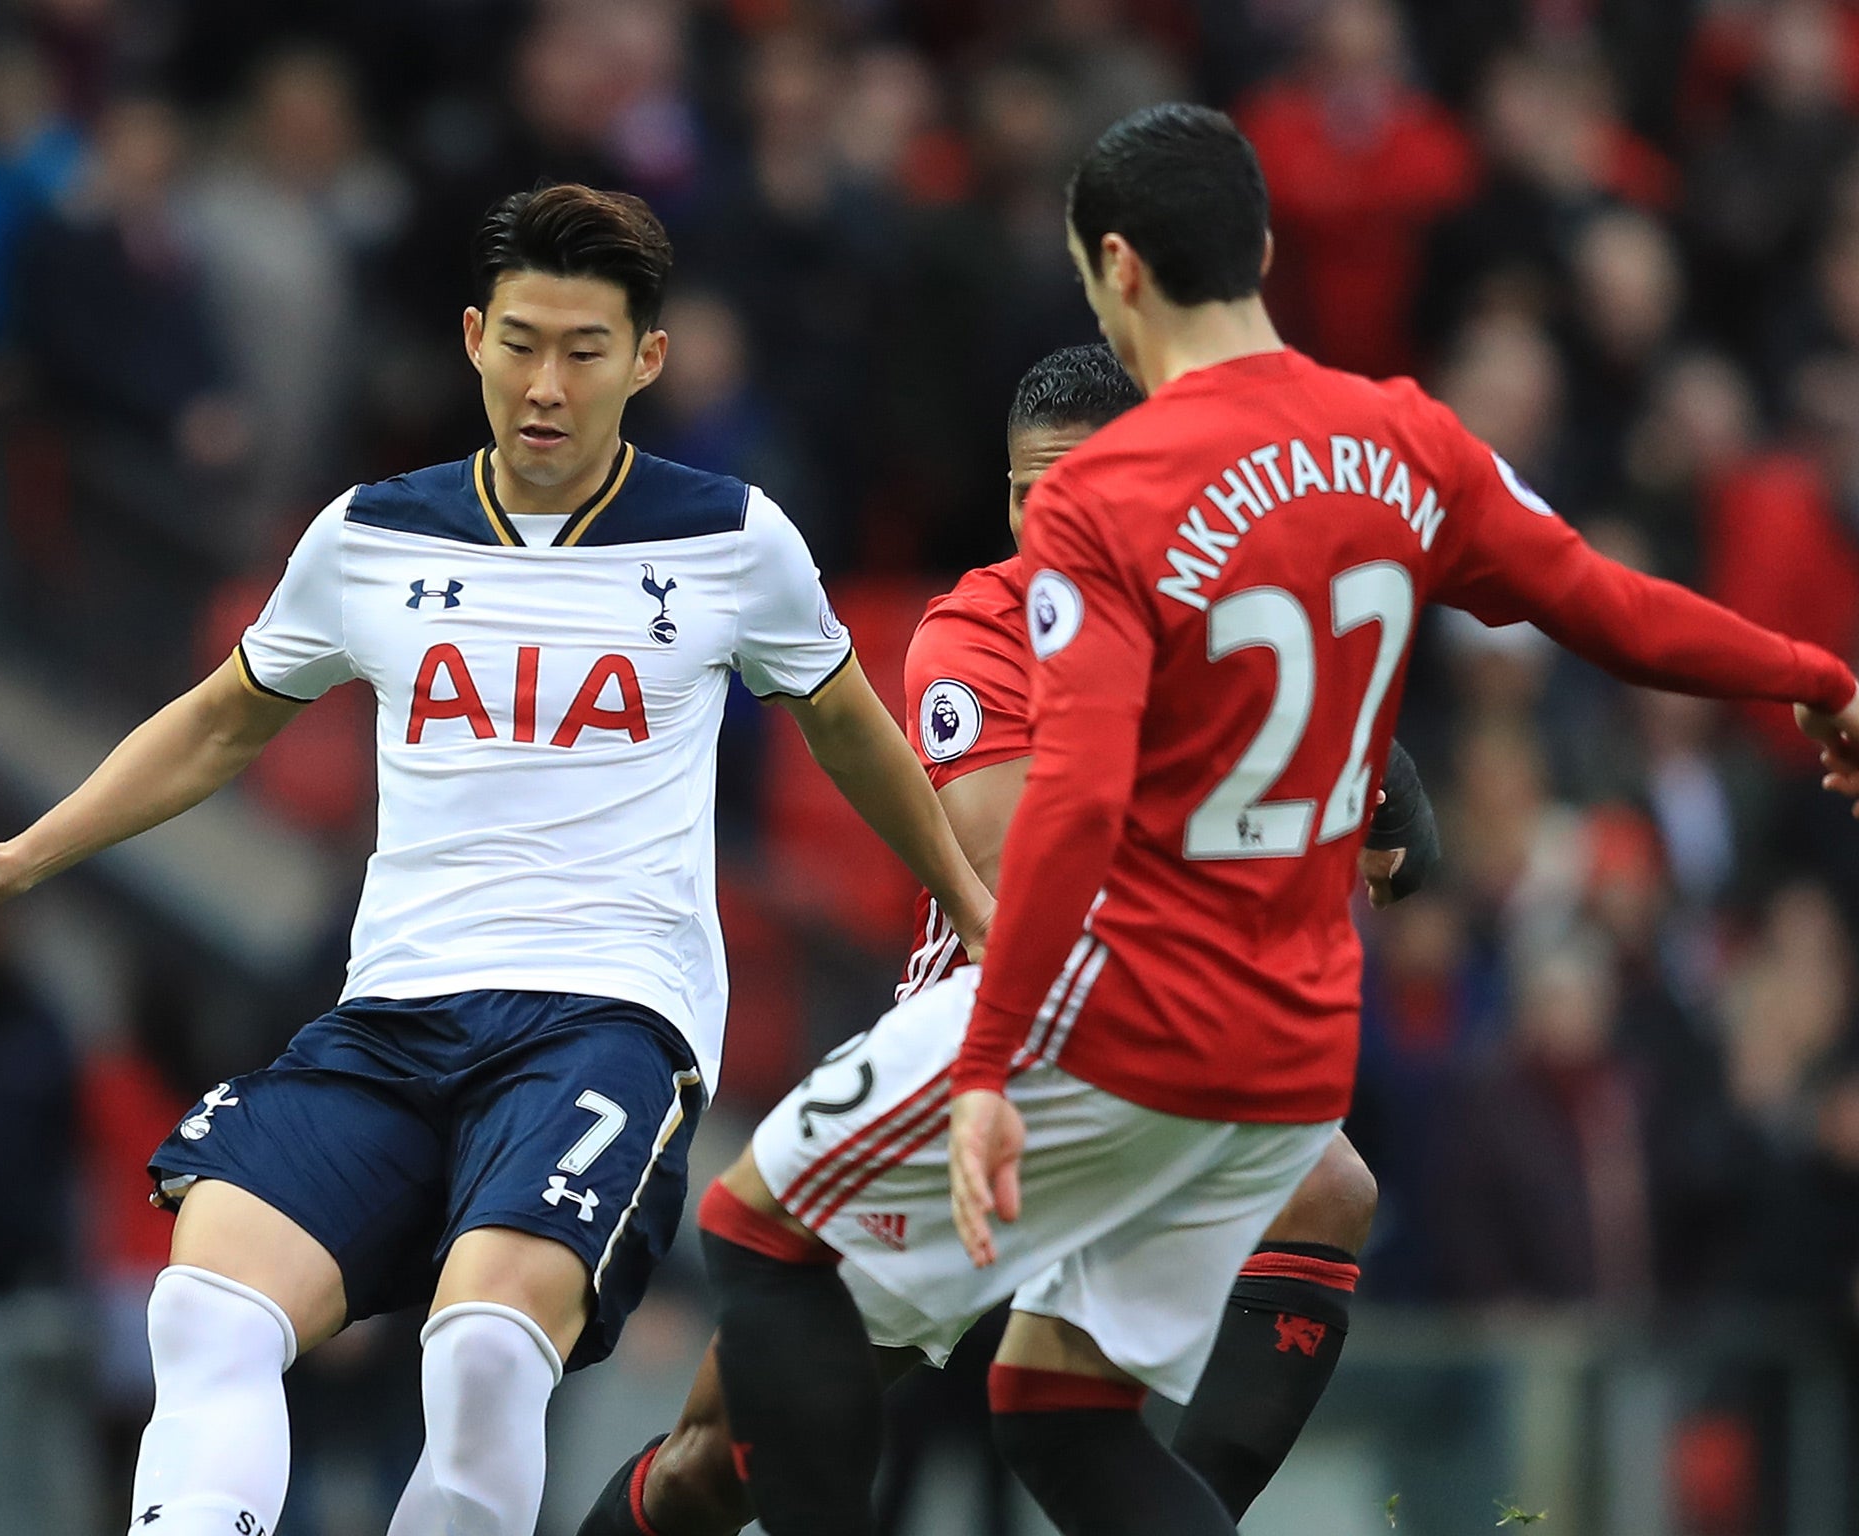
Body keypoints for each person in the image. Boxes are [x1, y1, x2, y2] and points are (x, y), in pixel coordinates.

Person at [688, 105, 1859, 1536]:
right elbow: (1601, 602)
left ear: (1115, 271)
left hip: (1110, 1014)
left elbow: (1075, 802)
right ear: (1263, 247)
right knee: (1058, 1412)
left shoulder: (1106, 497)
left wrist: (992, 1060)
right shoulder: (1404, 436)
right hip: (1289, 1054)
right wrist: (1812, 677)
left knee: (751, 1236)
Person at [0, 182, 992, 1536]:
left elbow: (848, 730)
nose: (545, 384)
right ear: (473, 336)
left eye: (585, 350)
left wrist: (972, 902)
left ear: (646, 360)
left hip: (603, 1023)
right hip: (396, 1019)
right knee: (205, 1305)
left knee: (477, 1352)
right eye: (520, 341)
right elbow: (223, 722)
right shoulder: (371, 536)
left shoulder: (731, 539)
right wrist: (18, 858)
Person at [576, 341, 1435, 1536]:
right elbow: (1020, 868)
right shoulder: (974, 633)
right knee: (711, 1465)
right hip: (972, 1062)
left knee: (1326, 1186)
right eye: (1034, 496)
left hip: (1150, 1064)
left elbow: (1389, 847)